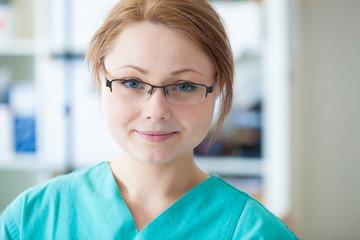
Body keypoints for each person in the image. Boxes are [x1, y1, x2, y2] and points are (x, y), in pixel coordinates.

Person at [0, 0, 299, 239]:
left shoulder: (254, 232)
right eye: (132, 82)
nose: (156, 111)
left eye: (184, 86)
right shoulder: (32, 220)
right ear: (99, 80)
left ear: (217, 87)